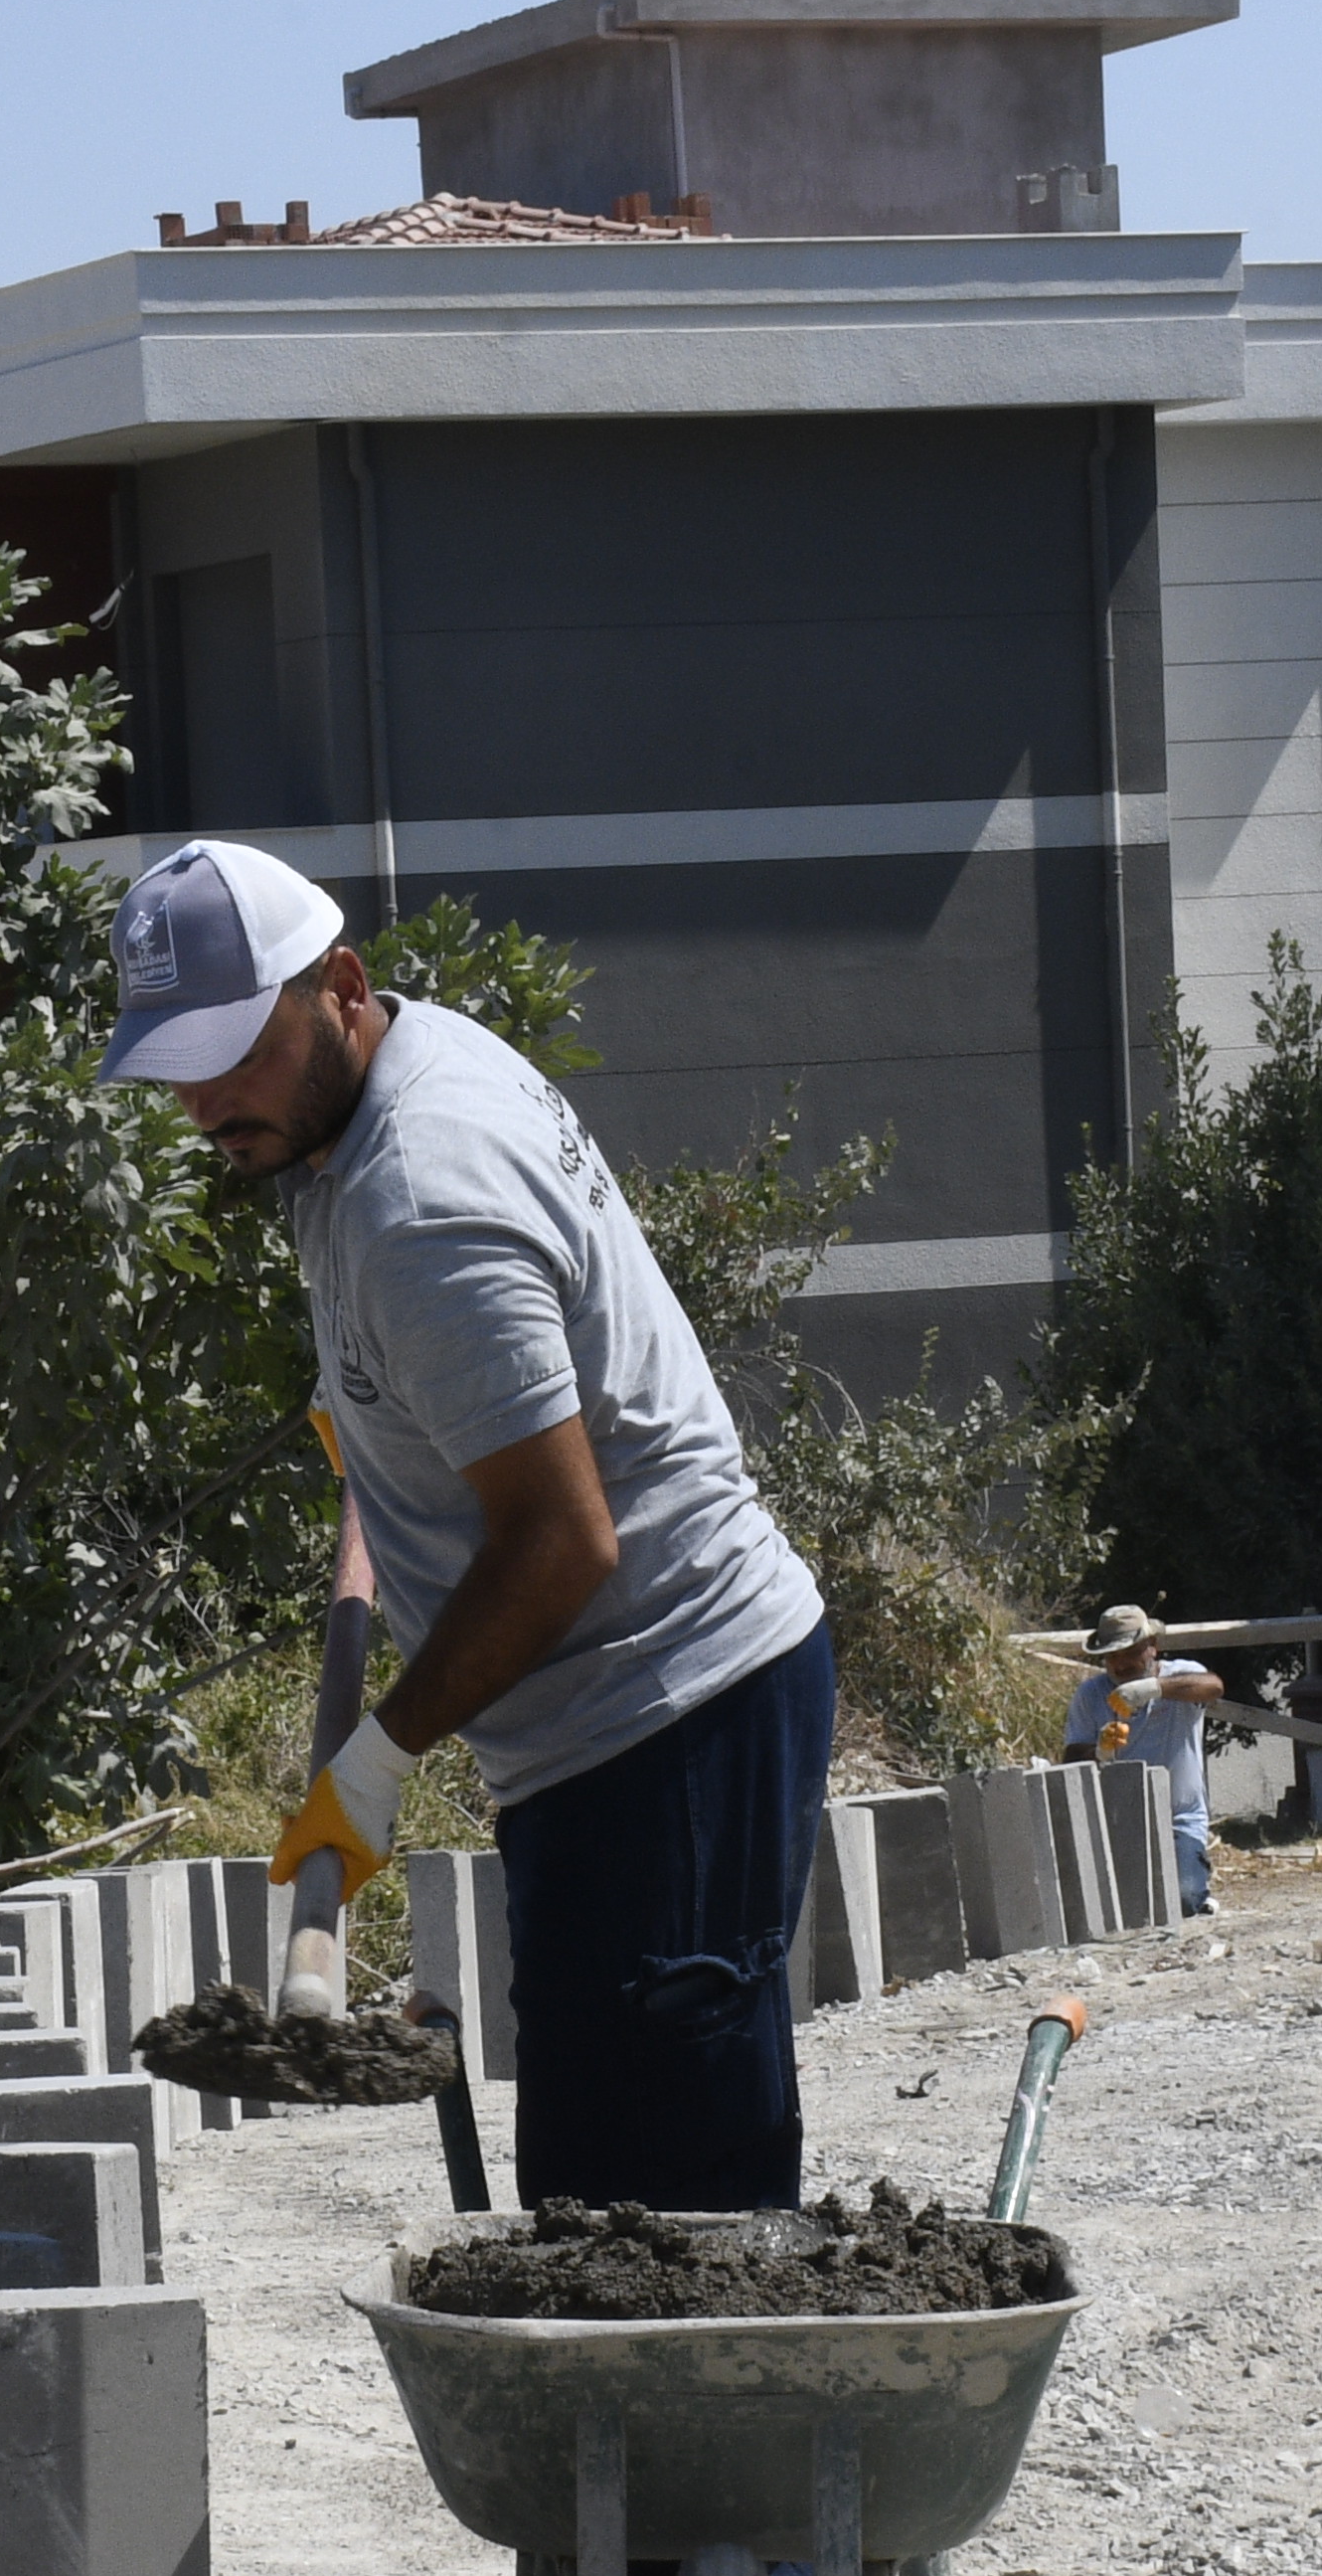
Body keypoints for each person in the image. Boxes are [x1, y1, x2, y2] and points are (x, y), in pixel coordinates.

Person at [103, 836, 834, 2210]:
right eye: (177, 1068)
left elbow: (564, 1542)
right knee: (604, 2149)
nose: (207, 1104)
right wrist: (384, 1441)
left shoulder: (418, 1196)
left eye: (235, 1053)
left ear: (339, 984)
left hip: (666, 1711)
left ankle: (707, 2422)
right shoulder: (374, 1082)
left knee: (658, 2195)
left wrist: (376, 1762)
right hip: (611, 1725)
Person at [1066, 1603, 1226, 1918]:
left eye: (1129, 1652)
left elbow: (1214, 1686)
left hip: (1180, 1820)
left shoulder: (1181, 1675)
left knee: (1181, 1900)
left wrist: (1154, 1689)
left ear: (1153, 1647)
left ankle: (1198, 1889)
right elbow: (1071, 1754)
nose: (1120, 1664)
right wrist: (1098, 1751)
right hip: (1117, 1823)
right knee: (1124, 1911)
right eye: (1112, 1656)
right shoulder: (1091, 1694)